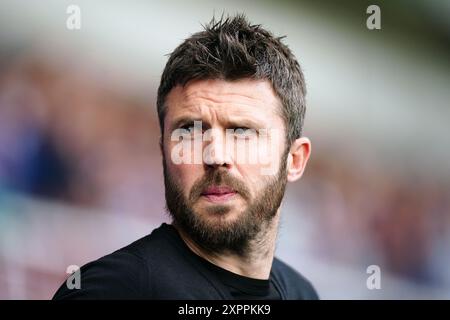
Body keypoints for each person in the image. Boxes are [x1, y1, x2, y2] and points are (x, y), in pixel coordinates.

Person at [53, 14, 317, 300]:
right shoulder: (112, 291)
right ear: (164, 150)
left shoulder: (302, 294)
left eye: (242, 131)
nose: (216, 156)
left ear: (295, 160)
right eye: (189, 131)